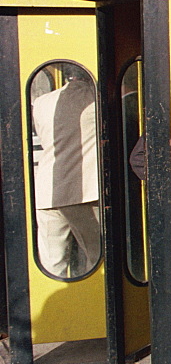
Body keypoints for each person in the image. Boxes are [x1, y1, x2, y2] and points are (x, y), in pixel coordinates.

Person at [31, 66, 101, 278]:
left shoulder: (41, 102)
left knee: (52, 265)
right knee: (96, 260)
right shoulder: (94, 98)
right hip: (83, 193)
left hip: (47, 190)